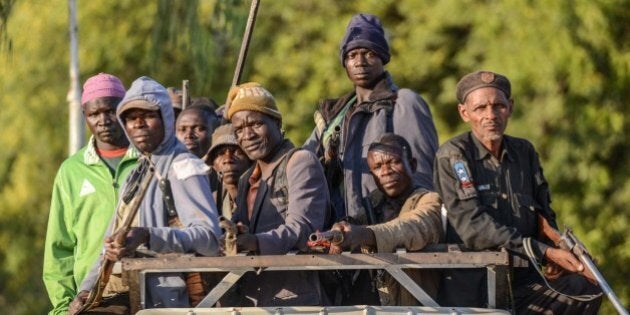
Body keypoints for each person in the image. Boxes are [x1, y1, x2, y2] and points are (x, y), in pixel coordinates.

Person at [433, 71, 601, 313]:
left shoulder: (524, 151)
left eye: (498, 106)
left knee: (587, 284)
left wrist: (561, 248)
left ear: (510, 108)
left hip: (525, 282)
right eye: (480, 108)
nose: (490, 115)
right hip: (475, 289)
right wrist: (544, 252)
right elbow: (474, 228)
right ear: (464, 113)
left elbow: (543, 213)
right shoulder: (454, 155)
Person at [69, 76, 222, 314]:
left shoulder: (183, 166)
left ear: (166, 119)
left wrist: (148, 236)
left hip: (174, 302)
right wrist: (86, 291)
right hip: (134, 297)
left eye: (148, 116)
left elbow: (209, 238)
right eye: (131, 118)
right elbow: (107, 246)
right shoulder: (137, 173)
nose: (138, 125)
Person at [303, 13, 438, 222]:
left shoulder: (403, 103)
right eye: (352, 55)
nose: (360, 62)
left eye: (369, 53)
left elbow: (421, 175)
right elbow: (301, 166)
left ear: (382, 57)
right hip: (340, 230)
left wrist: (411, 225)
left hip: (389, 230)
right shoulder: (334, 117)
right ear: (345, 63)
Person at [42, 73, 138, 315]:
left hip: (147, 285)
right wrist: (63, 307)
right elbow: (59, 248)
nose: (103, 120)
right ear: (85, 116)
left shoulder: (147, 160)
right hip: (92, 296)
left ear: (124, 110)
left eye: (110, 110)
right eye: (94, 114)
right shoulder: (71, 171)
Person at [227, 82, 329, 306]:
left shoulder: (299, 162)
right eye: (239, 130)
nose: (247, 135)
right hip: (254, 298)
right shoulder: (246, 179)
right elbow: (241, 228)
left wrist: (255, 242)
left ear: (277, 122)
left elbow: (303, 229)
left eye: (256, 124)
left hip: (295, 298)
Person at [327, 133, 443, 306]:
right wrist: (336, 235)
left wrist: (367, 234)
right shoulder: (370, 207)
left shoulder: (428, 199)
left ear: (412, 164)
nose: (386, 172)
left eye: (394, 162)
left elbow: (413, 227)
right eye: (378, 166)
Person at [207, 123, 252, 219]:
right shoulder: (210, 202)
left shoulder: (266, 195)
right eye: (220, 153)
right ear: (213, 164)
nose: (228, 159)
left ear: (251, 159)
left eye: (237, 152)